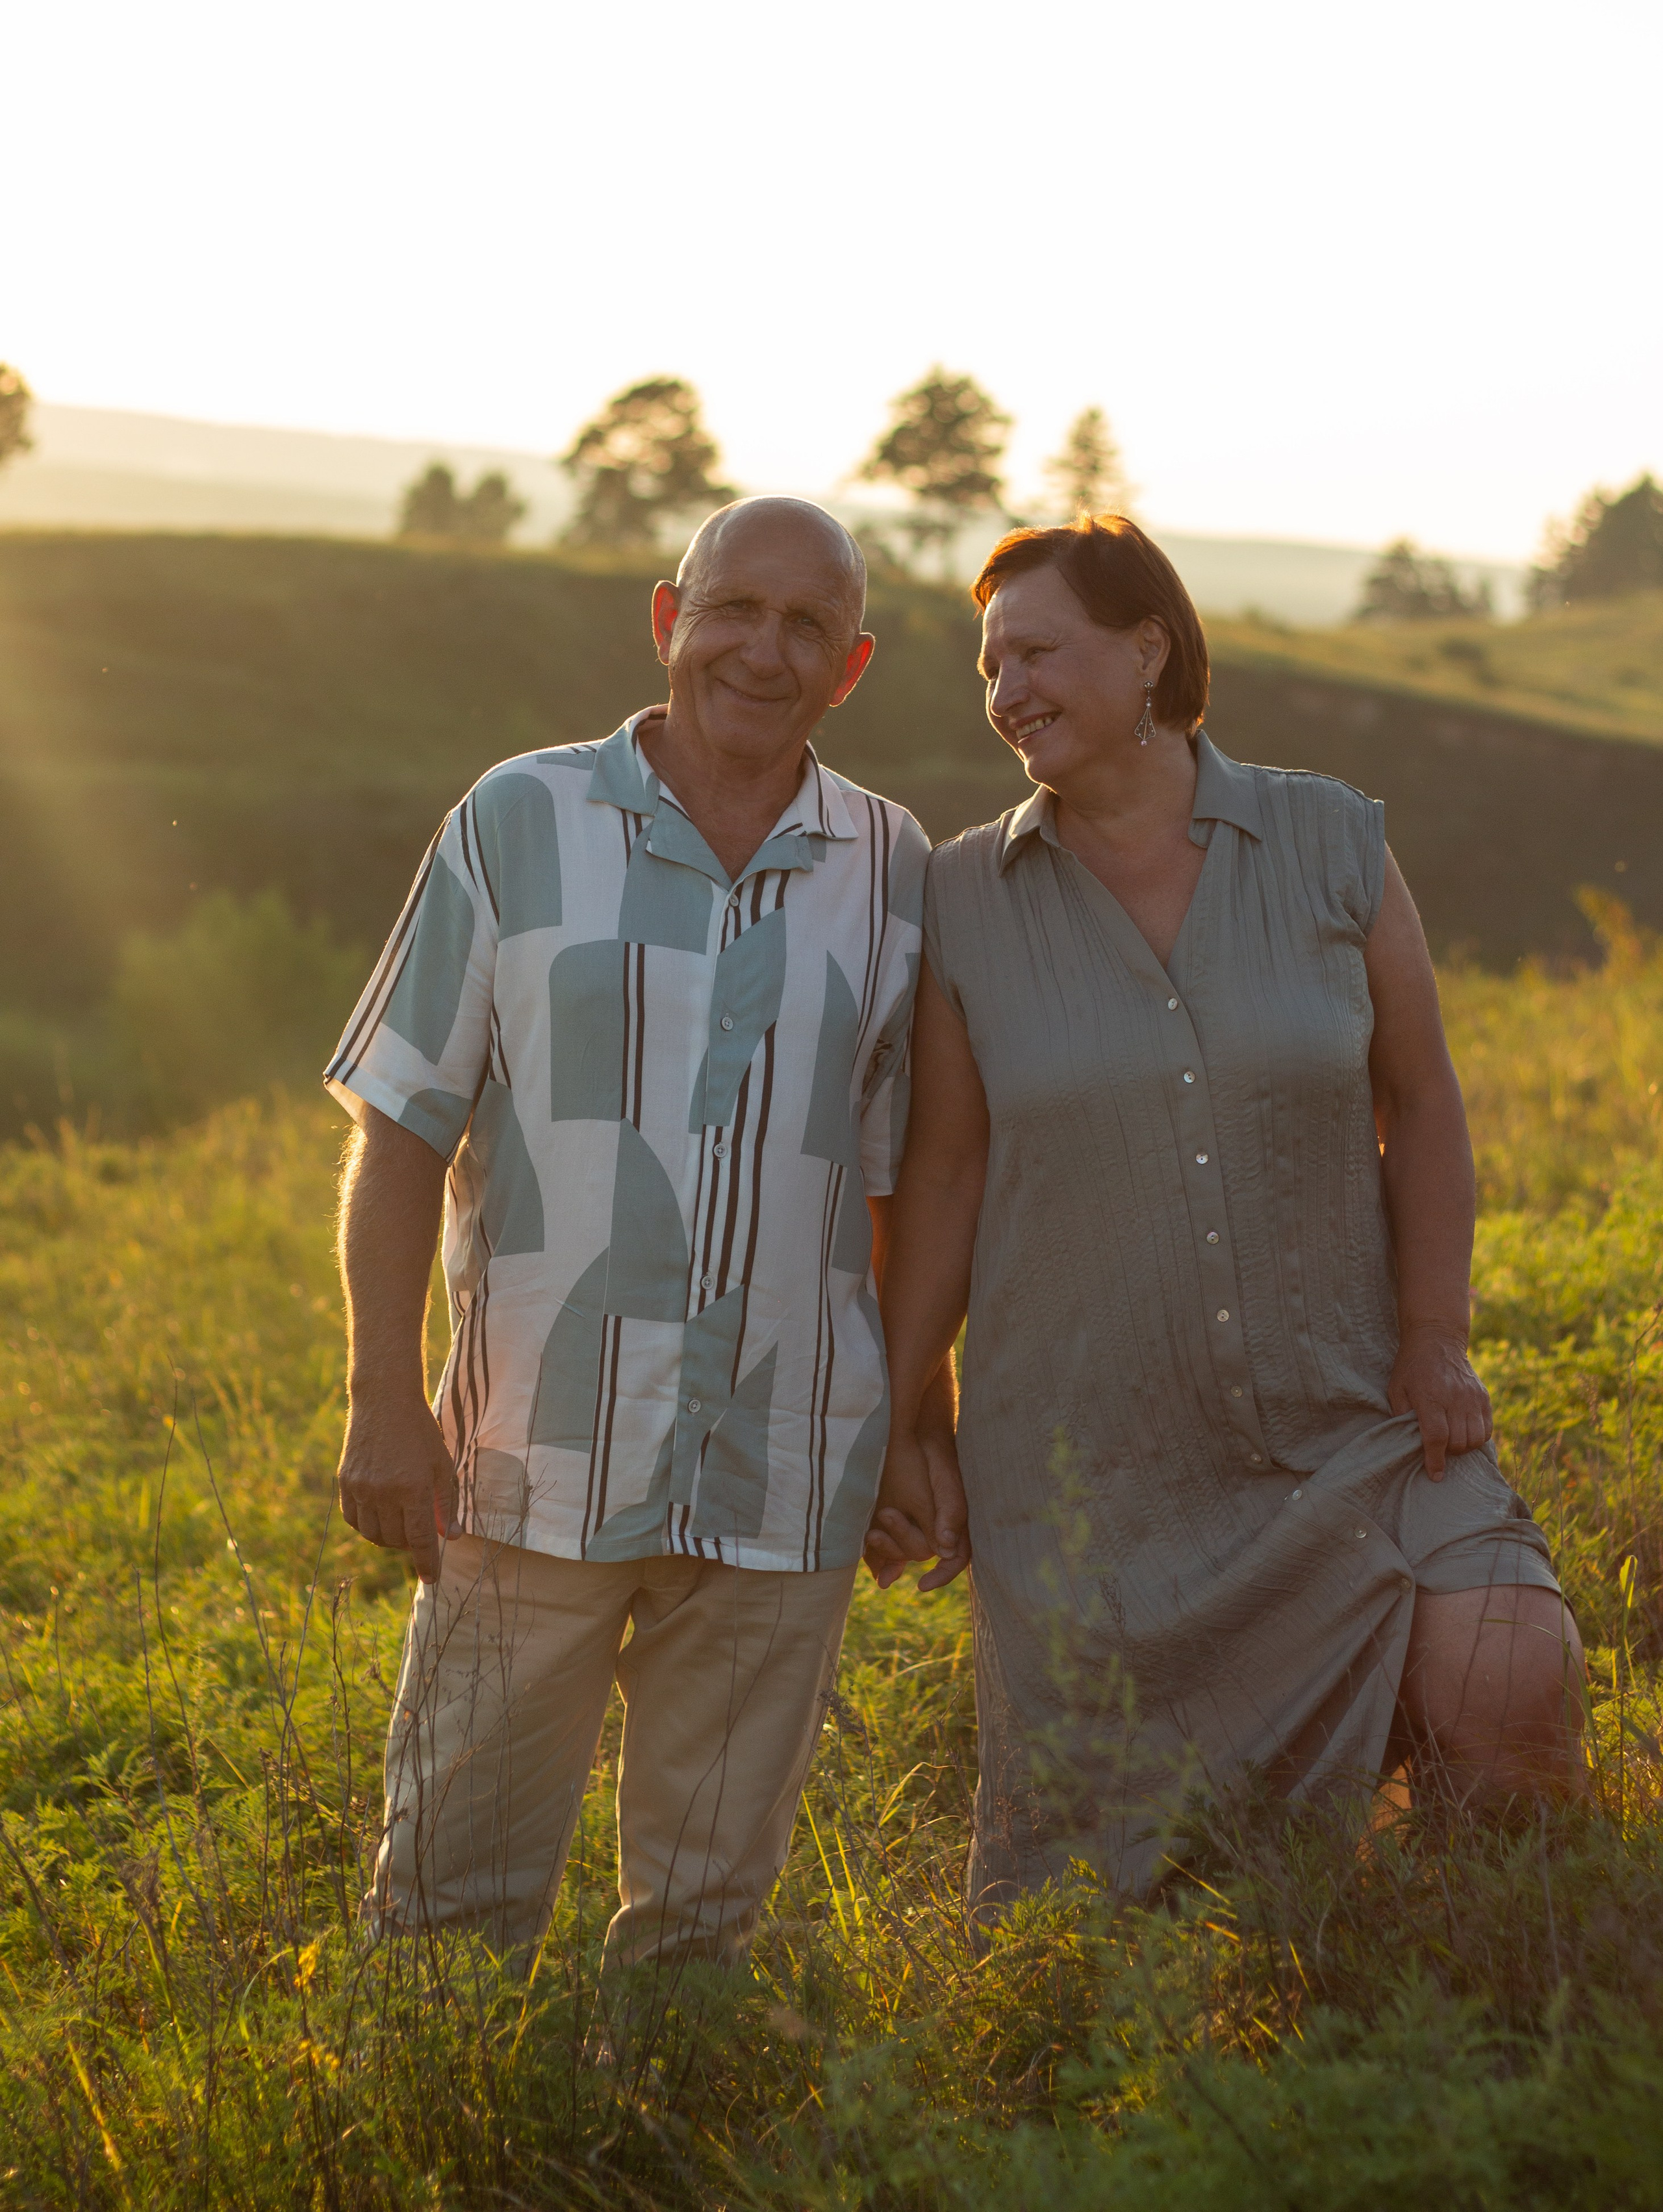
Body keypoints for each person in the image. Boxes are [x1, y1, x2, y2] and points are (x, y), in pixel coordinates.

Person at [867, 514, 1583, 1908]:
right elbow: (941, 1176)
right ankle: (1324, 1959)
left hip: (1352, 1416)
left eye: (1035, 648)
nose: (1004, 687)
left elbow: (1421, 1098)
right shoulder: (960, 895)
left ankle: (1482, 1966)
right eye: (986, 662)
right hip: (1099, 1471)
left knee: (1509, 1674)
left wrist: (1434, 1331)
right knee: (1145, 1906)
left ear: (1146, 649)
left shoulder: (1327, 837)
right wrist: (903, 1422)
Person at [327, 495, 946, 1964]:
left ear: (849, 667)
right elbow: (403, 1121)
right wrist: (377, 1395)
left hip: (784, 1472)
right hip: (527, 1457)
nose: (762, 647)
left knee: (701, 1926)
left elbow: (889, 1180)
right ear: (669, 620)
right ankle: (448, 2152)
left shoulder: (893, 867)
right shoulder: (517, 818)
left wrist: (918, 1417)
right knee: (444, 1914)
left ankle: (654, 2149)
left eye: (806, 625)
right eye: (734, 607)